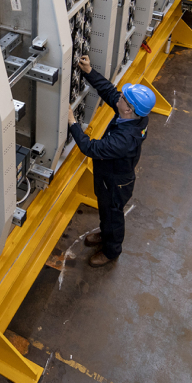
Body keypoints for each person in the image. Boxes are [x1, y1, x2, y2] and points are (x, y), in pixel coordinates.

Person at [66, 55, 156, 267]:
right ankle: (105, 233)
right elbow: (109, 92)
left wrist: (72, 123)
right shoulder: (135, 116)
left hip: (116, 183)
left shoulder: (124, 140)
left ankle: (111, 250)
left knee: (113, 216)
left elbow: (90, 148)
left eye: (124, 98)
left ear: (128, 108)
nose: (119, 97)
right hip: (110, 176)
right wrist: (89, 71)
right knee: (106, 211)